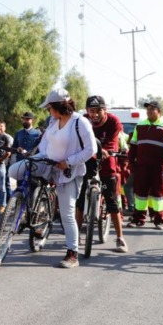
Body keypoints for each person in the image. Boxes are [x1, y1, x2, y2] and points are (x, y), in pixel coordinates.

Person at [32, 88, 96, 268]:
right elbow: (44, 144)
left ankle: (72, 253)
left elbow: (91, 150)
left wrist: (68, 162)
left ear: (59, 106)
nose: (48, 111)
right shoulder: (53, 121)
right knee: (18, 172)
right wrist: (36, 158)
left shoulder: (80, 122)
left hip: (70, 171)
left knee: (67, 214)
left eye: (49, 107)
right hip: (49, 163)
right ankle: (24, 212)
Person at [75, 95, 128, 253]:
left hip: (107, 161)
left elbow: (112, 141)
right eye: (92, 111)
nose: (95, 114)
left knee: (112, 201)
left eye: (99, 110)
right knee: (79, 199)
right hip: (88, 161)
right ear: (87, 111)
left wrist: (105, 150)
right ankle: (76, 235)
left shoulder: (113, 121)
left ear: (105, 110)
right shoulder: (83, 120)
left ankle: (120, 238)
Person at [127, 100, 163, 230]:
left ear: (159, 112)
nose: (149, 111)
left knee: (159, 194)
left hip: (159, 167)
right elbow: (133, 145)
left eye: (152, 109)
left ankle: (159, 220)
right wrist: (131, 162)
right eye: (148, 109)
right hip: (141, 166)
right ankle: (138, 219)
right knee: (140, 193)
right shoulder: (140, 125)